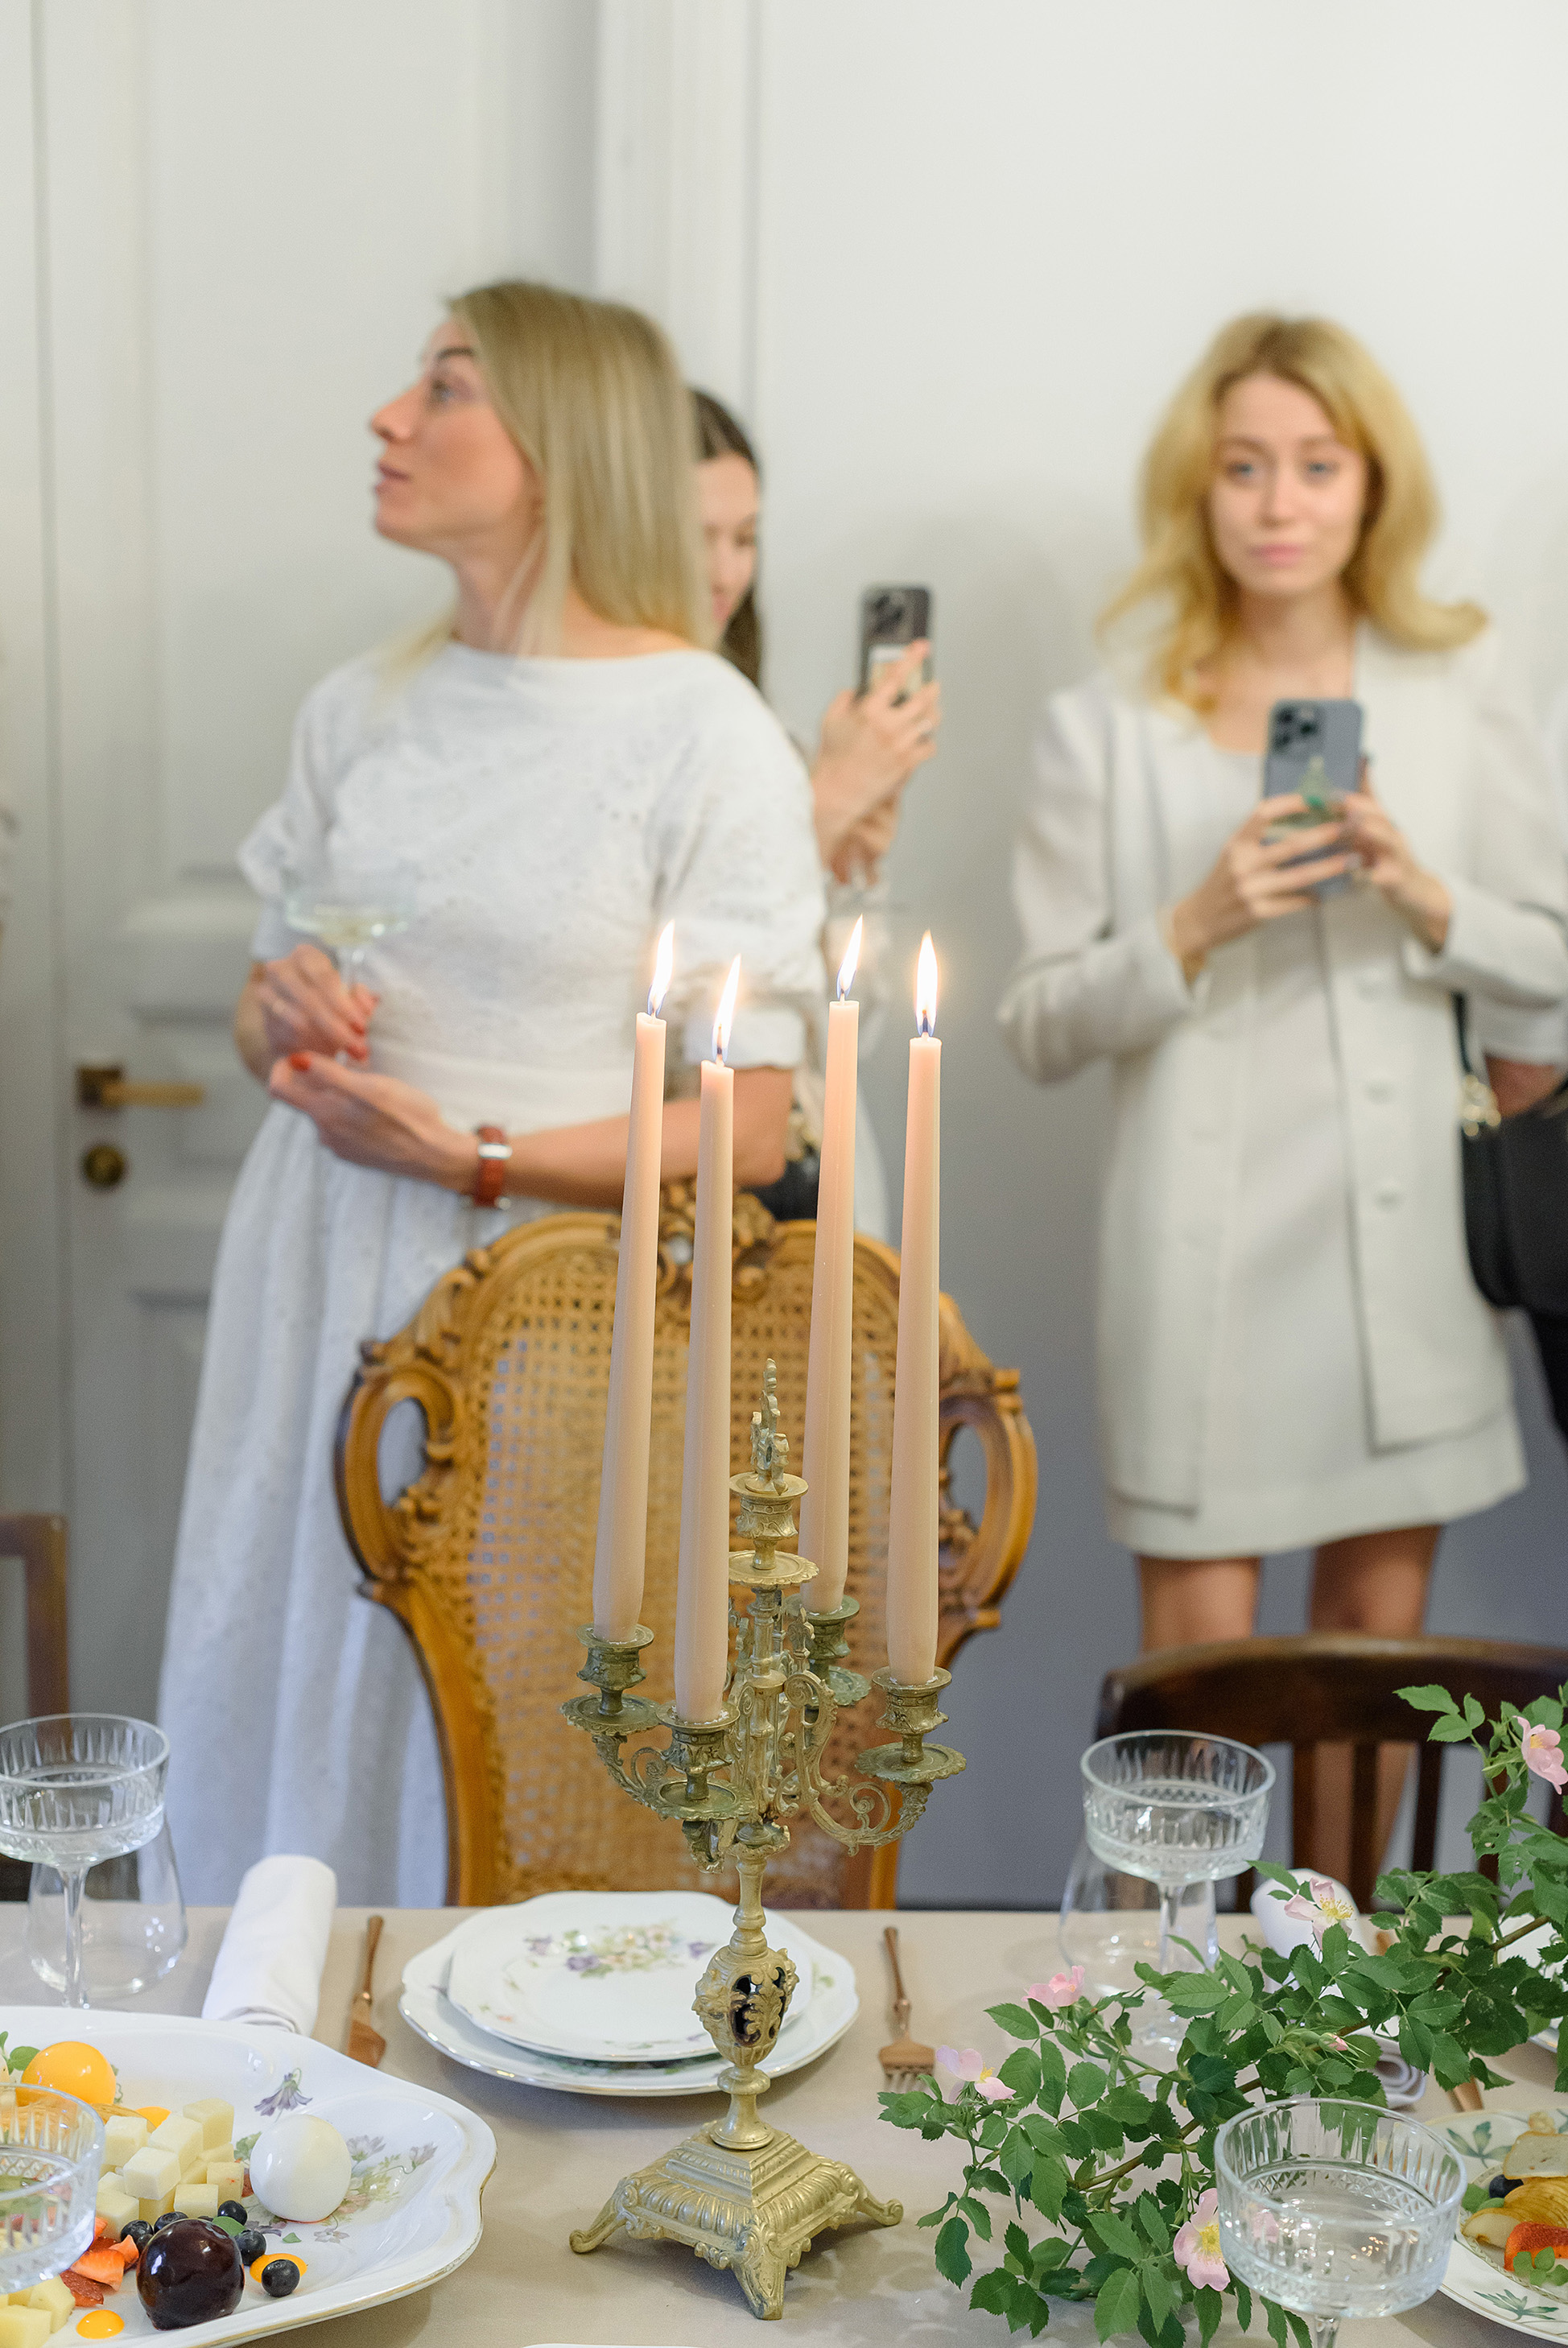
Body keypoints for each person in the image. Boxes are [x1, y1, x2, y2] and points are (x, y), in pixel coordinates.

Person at [158, 282, 826, 1905]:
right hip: (322, 1259)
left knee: (507, 1689)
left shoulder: (705, 731)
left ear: (558, 445)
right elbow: (260, 1006)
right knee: (304, 1648)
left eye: (445, 387)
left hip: (545, 1295)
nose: (389, 418)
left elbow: (749, 1125)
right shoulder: (362, 706)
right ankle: (290, 2017)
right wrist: (280, 1013)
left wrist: (478, 1155)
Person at [998, 313, 1568, 1861]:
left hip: (1399, 1255)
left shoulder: (1455, 684)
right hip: (1197, 1263)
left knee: (1371, 1678)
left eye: (1316, 465)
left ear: (1371, 484)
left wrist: (1418, 887)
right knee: (1200, 1690)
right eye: (1242, 465)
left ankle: (1338, 1972)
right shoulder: (1107, 720)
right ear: (1197, 486)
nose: (1277, 503)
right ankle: (1183, 1985)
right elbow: (1036, 1020)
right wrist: (1194, 919)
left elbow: (1547, 959)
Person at [692, 390, 941, 1233]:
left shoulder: (773, 742)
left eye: (745, 539)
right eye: (697, 538)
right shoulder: (621, 750)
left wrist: (850, 864)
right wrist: (820, 811)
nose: (725, 573)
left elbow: (848, 1025)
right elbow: (664, 1002)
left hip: (807, 1187)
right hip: (681, 1201)